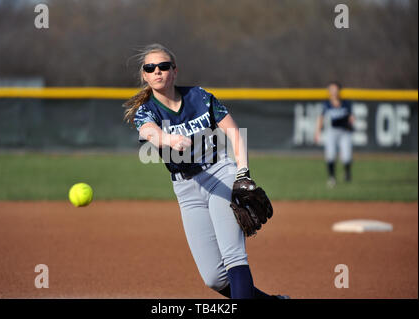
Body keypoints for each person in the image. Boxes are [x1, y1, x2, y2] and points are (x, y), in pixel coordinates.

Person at [123, 43, 288, 299]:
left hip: (220, 174)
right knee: (213, 277)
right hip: (186, 190)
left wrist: (242, 172)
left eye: (164, 66)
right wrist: (169, 140)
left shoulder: (199, 96)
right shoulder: (146, 111)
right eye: (150, 68)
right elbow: (148, 132)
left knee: (233, 255)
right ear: (144, 75)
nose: (158, 71)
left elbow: (234, 134)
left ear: (174, 71)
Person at [314, 81, 354, 188]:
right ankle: (331, 177)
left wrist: (350, 122)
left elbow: (351, 117)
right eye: (331, 90)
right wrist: (317, 132)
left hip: (344, 132)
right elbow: (321, 118)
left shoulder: (346, 103)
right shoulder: (326, 104)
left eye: (335, 90)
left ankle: (347, 173)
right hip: (332, 132)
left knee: (346, 155)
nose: (334, 92)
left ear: (339, 91)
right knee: (330, 154)